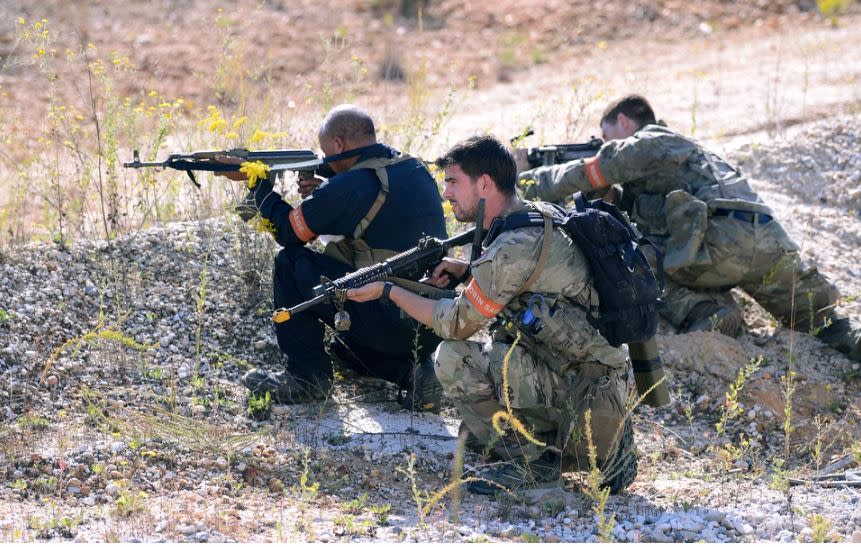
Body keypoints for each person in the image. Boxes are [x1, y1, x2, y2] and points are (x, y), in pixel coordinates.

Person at [346, 135, 638, 495]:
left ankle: (534, 467)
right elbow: (521, 279)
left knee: (452, 358)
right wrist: (467, 269)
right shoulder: (535, 217)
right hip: (597, 386)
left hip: (585, 398)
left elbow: (455, 323)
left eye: (453, 182)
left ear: (484, 183)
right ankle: (603, 448)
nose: (447, 193)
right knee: (480, 407)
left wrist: (388, 290)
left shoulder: (512, 247)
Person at [517, 95, 860, 361]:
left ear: (623, 122)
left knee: (628, 264)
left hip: (717, 243)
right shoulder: (694, 156)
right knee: (826, 323)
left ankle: (707, 311)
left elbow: (597, 168)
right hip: (768, 241)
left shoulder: (652, 139)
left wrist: (522, 183)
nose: (606, 144)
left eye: (607, 137)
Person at [222, 104, 449, 409]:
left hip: (388, 316)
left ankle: (306, 379)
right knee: (342, 350)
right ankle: (414, 373)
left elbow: (290, 234)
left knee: (290, 262)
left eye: (326, 151)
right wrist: (327, 190)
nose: (325, 159)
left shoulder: (350, 185)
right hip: (430, 319)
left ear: (339, 144)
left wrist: (260, 188)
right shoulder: (412, 167)